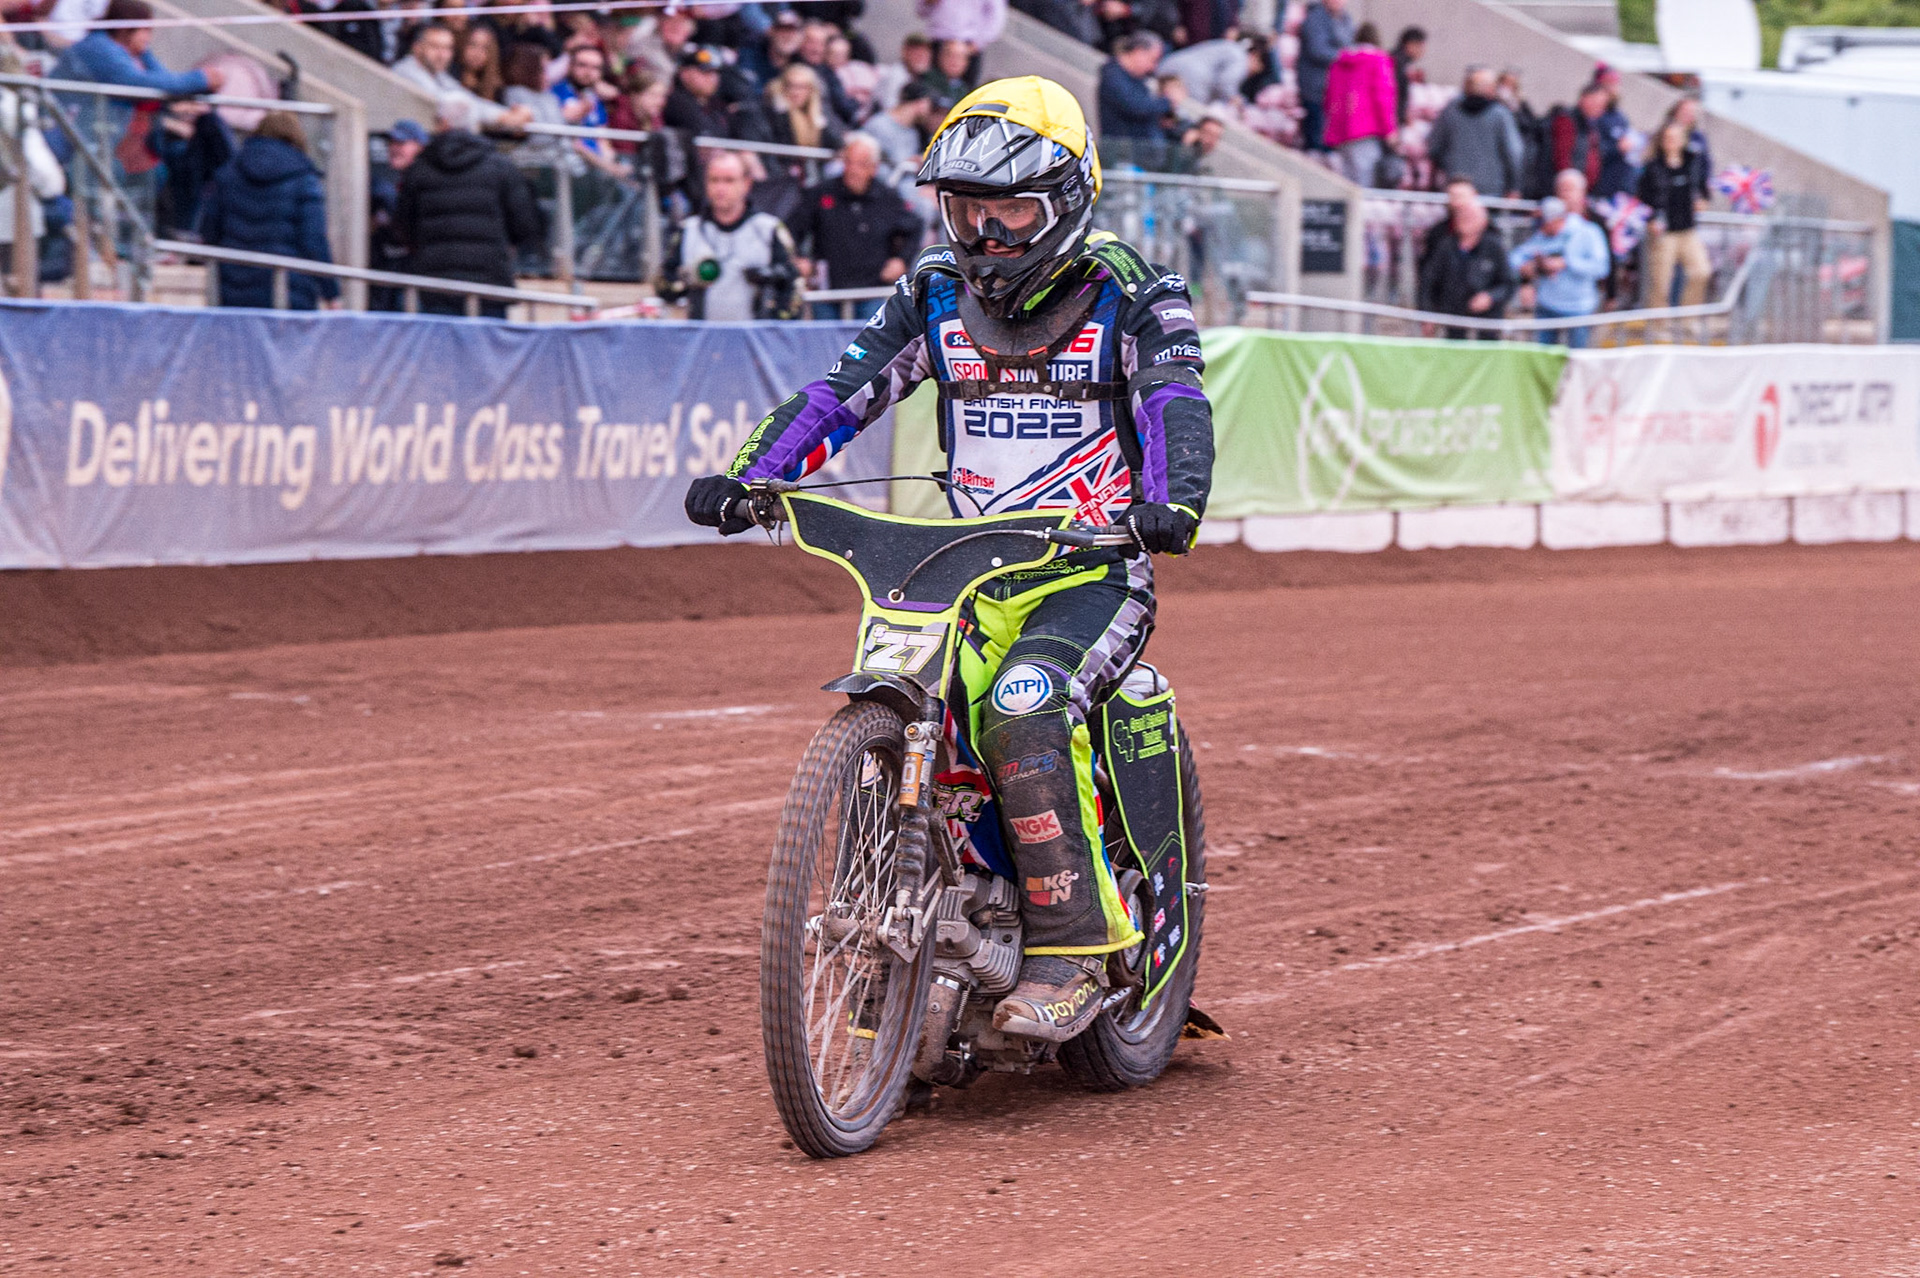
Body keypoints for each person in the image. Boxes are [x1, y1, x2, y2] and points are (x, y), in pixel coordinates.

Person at [684, 77, 1215, 1045]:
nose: (987, 234)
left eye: (1009, 207)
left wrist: (1172, 501)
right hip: (964, 573)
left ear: (1064, 200)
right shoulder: (932, 291)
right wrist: (749, 476)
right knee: (909, 699)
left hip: (1090, 574)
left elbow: (1175, 402)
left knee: (1022, 707)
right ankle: (921, 925)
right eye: (967, 209)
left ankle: (1073, 946)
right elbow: (842, 393)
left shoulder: (1133, 291)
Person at [392, 108, 542, 318]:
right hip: (489, 280)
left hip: (435, 281)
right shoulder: (501, 166)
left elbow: (403, 225)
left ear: (442, 123)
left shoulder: (419, 170)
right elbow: (525, 224)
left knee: (441, 348)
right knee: (487, 349)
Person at [197, 111, 339, 311]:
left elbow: (209, 231)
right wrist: (331, 292)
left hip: (234, 295)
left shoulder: (228, 173)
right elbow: (314, 241)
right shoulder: (304, 178)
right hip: (289, 296)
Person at [52, 0, 225, 149]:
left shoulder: (126, 50)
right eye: (145, 30)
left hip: (83, 137)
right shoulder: (98, 47)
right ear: (126, 27)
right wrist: (201, 78)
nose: (148, 37)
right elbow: (138, 82)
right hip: (55, 129)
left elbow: (163, 77)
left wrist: (144, 53)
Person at [785, 134, 920, 318]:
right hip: (829, 288)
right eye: (849, 162)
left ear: (874, 168)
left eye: (861, 164)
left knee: (870, 341)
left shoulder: (887, 198)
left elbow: (914, 226)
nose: (853, 170)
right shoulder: (822, 193)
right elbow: (790, 228)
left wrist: (902, 260)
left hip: (871, 289)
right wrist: (798, 259)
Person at [660, 148, 802, 321]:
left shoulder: (769, 229)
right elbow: (663, 285)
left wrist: (772, 278)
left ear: (746, 184)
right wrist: (687, 278)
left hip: (755, 341)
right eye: (714, 180)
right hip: (704, 339)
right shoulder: (689, 230)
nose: (720, 188)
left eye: (729, 180)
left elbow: (794, 286)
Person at [1636, 119, 1712, 334]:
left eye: (1675, 138)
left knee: (1701, 271)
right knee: (1661, 281)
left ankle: (1689, 319)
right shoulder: (1653, 167)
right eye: (1668, 138)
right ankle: (1659, 324)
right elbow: (1642, 198)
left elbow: (1703, 188)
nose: (1671, 142)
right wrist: (1651, 219)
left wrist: (1702, 199)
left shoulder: (1692, 163)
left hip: (1687, 229)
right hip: (1664, 232)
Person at [392, 24, 533, 132]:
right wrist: (505, 117)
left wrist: (508, 114)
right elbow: (450, 104)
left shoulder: (439, 75)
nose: (442, 55)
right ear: (417, 48)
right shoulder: (405, 70)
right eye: (435, 47)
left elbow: (471, 100)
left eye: (447, 48)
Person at [1509, 194, 1608, 347]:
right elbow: (1515, 257)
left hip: (1579, 309)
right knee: (1544, 359)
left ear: (1558, 219)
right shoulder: (1542, 236)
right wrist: (1527, 271)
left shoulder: (1588, 232)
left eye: (1544, 223)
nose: (1541, 227)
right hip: (1547, 306)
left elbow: (1601, 268)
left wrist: (1566, 263)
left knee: (1577, 360)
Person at [1417, 183, 1512, 340]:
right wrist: (1427, 312)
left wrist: (1490, 297)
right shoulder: (1445, 245)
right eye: (1461, 216)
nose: (1464, 220)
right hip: (1453, 319)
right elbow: (1428, 280)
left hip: (1487, 324)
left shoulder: (1495, 246)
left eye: (1470, 216)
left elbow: (1508, 282)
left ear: (1483, 220)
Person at [1426, 66, 1523, 198]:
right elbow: (1514, 152)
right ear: (1490, 88)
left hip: (1456, 187)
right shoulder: (1500, 114)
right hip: (1492, 190)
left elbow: (1434, 145)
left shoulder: (1451, 110)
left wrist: (1449, 167)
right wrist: (1514, 187)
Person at [1321, 22, 1395, 188]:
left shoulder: (1339, 61)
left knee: (1346, 183)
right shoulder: (1378, 61)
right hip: (1365, 129)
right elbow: (1382, 98)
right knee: (1364, 182)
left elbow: (1328, 96)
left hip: (1341, 130)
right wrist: (1389, 130)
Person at [1549, 79, 1634, 202]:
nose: (1600, 110)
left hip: (1583, 192)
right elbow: (1562, 158)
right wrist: (1571, 189)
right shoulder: (1567, 120)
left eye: (1603, 106)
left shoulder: (1591, 125)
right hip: (1566, 192)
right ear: (1585, 98)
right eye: (1598, 104)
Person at [1098, 32, 1174, 152]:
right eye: (1153, 60)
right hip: (1121, 153)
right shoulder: (1113, 75)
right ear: (1139, 52)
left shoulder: (1139, 80)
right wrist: (1166, 102)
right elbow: (1135, 106)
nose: (1153, 68)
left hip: (1139, 155)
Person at [1296, 0, 1353, 152]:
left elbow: (1350, 43)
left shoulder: (1345, 18)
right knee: (1315, 138)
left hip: (1335, 91)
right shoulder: (1315, 18)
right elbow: (1317, 50)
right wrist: (1344, 56)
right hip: (1315, 87)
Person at [873, 32, 934, 111]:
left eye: (925, 53)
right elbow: (890, 110)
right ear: (905, 52)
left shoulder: (922, 77)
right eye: (917, 53)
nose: (921, 57)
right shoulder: (896, 75)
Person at [916, 37, 976, 115]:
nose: (955, 61)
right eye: (950, 55)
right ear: (940, 57)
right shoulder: (924, 80)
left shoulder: (966, 91)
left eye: (960, 57)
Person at [1390, 25, 1425, 129]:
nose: (1423, 51)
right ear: (1410, 44)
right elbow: (1396, 92)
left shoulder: (1399, 60)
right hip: (1393, 121)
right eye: (1420, 46)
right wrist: (1402, 115)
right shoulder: (1398, 63)